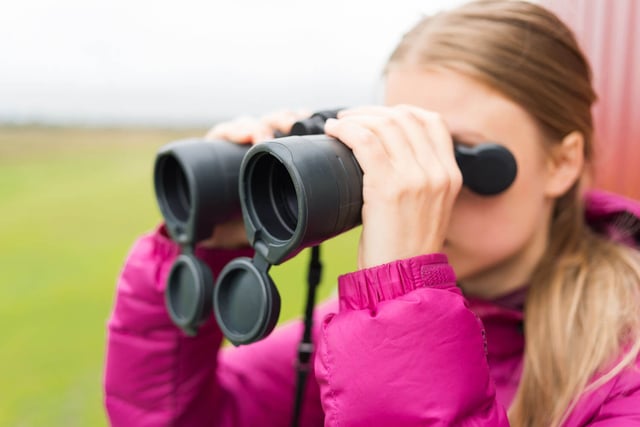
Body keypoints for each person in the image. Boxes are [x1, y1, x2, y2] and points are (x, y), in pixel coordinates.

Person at [103, 1, 640, 425]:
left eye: (452, 152)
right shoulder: (356, 332)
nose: (423, 184)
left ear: (562, 163)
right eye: (404, 148)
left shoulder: (622, 363)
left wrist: (403, 308)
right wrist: (210, 245)